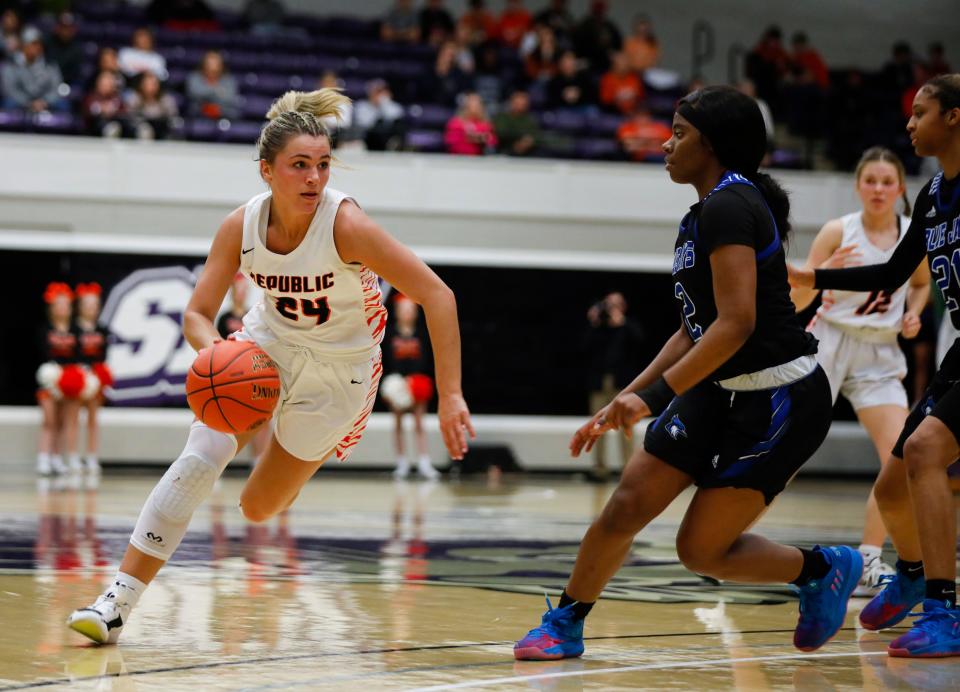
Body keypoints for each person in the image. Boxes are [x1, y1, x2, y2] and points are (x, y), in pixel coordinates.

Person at [67, 88, 475, 645]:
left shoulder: (346, 224)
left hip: (341, 368)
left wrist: (450, 396)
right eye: (300, 165)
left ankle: (292, 453)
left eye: (323, 165)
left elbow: (439, 295)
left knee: (259, 508)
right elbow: (196, 314)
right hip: (267, 345)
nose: (314, 178)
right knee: (199, 458)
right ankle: (115, 603)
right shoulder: (242, 225)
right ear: (267, 171)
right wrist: (218, 353)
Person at [514, 85, 860, 661]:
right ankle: (565, 623)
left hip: (780, 398)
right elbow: (692, 331)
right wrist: (625, 396)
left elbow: (737, 326)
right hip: (716, 388)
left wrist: (651, 398)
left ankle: (822, 567)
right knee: (625, 504)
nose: (666, 144)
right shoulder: (701, 213)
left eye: (680, 134)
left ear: (714, 144)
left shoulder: (732, 205)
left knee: (701, 552)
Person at [789, 74, 960, 659]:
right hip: (942, 349)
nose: (910, 123)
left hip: (896, 351)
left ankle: (944, 606)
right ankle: (910, 572)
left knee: (925, 451)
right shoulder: (935, 195)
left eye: (921, 112)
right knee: (893, 482)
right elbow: (893, 274)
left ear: (954, 118)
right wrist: (815, 277)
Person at [789, 147, 930, 597]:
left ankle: (870, 560)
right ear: (857, 185)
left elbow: (923, 283)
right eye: (870, 180)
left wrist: (915, 311)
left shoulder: (913, 234)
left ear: (901, 188)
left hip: (880, 353)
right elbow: (795, 300)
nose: (878, 189)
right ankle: (728, 539)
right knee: (784, 453)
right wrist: (825, 271)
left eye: (887, 182)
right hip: (828, 342)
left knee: (898, 460)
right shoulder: (838, 231)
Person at [582, 292, 644, 481]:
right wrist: (593, 323)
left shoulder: (628, 326)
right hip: (599, 383)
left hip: (622, 384)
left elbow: (640, 342)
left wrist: (622, 324)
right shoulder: (598, 328)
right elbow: (582, 348)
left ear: (623, 307)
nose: (611, 309)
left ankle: (628, 468)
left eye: (615, 304)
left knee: (626, 425)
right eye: (608, 304)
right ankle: (600, 469)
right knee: (596, 424)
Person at [382, 294, 439, 480]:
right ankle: (402, 462)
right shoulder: (389, 333)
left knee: (419, 423)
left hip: (416, 383)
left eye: (410, 309)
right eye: (403, 309)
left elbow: (426, 359)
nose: (407, 313)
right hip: (397, 383)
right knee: (398, 423)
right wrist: (395, 381)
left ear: (415, 312)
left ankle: (424, 462)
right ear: (397, 312)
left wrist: (414, 380)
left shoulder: (421, 333)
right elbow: (387, 359)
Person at [36, 282, 78, 476]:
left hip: (67, 382)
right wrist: (52, 374)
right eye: (58, 304)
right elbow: (42, 354)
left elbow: (77, 356)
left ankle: (56, 458)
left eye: (66, 304)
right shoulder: (45, 329)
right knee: (49, 421)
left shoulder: (74, 331)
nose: (62, 308)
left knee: (62, 422)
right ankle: (43, 458)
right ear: (52, 307)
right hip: (49, 382)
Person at [74, 283, 112, 475]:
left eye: (94, 304)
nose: (91, 308)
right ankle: (72, 457)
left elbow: (104, 353)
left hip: (95, 376)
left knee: (93, 419)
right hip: (77, 375)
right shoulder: (74, 328)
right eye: (88, 304)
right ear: (80, 306)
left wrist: (99, 373)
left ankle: (91, 456)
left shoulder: (102, 329)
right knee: (73, 419)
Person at [1, 26, 67, 113]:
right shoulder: (11, 63)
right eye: (33, 44)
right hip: (22, 101)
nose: (37, 47)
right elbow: (10, 90)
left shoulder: (50, 64)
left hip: (44, 101)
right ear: (24, 45)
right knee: (8, 103)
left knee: (63, 105)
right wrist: (28, 103)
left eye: (39, 44)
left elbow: (56, 89)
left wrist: (44, 101)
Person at [186, 50, 240, 120]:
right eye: (209, 64)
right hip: (199, 113)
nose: (212, 67)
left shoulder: (229, 80)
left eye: (215, 64)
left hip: (224, 114)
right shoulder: (194, 77)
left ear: (221, 66)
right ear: (203, 65)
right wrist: (216, 91)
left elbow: (230, 98)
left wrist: (215, 107)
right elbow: (193, 93)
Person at [125, 72, 179, 140]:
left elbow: (173, 116)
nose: (152, 87)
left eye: (154, 84)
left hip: (162, 127)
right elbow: (130, 117)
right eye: (149, 84)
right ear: (142, 85)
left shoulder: (165, 99)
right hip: (142, 127)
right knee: (144, 130)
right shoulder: (135, 98)